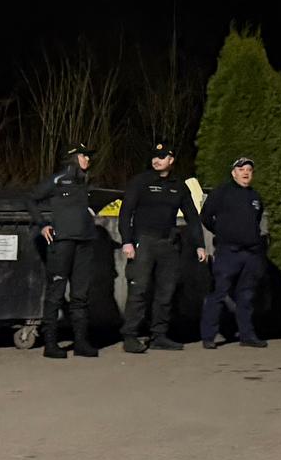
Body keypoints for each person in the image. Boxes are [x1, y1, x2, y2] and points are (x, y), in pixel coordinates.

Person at [117, 140, 206, 352]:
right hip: (144, 242)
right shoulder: (141, 182)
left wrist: (199, 245)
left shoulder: (179, 186)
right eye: (155, 157)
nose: (157, 160)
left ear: (171, 160)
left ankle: (159, 335)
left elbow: (192, 217)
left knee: (166, 292)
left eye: (162, 156)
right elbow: (125, 213)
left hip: (168, 244)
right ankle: (130, 336)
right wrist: (127, 241)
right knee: (139, 290)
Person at [30, 142, 105, 358]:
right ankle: (50, 344)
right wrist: (42, 224)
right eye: (84, 155)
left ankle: (81, 342)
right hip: (62, 242)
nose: (88, 160)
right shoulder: (59, 179)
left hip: (85, 243)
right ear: (74, 157)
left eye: (89, 156)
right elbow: (31, 199)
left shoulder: (88, 182)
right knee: (55, 294)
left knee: (80, 295)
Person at [200, 156, 272, 350]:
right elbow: (206, 215)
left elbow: (256, 221)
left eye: (249, 169)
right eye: (241, 169)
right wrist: (222, 231)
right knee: (218, 293)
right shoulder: (221, 192)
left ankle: (247, 335)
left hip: (251, 255)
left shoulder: (255, 196)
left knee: (246, 296)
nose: (246, 172)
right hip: (228, 252)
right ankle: (208, 336)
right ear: (234, 173)